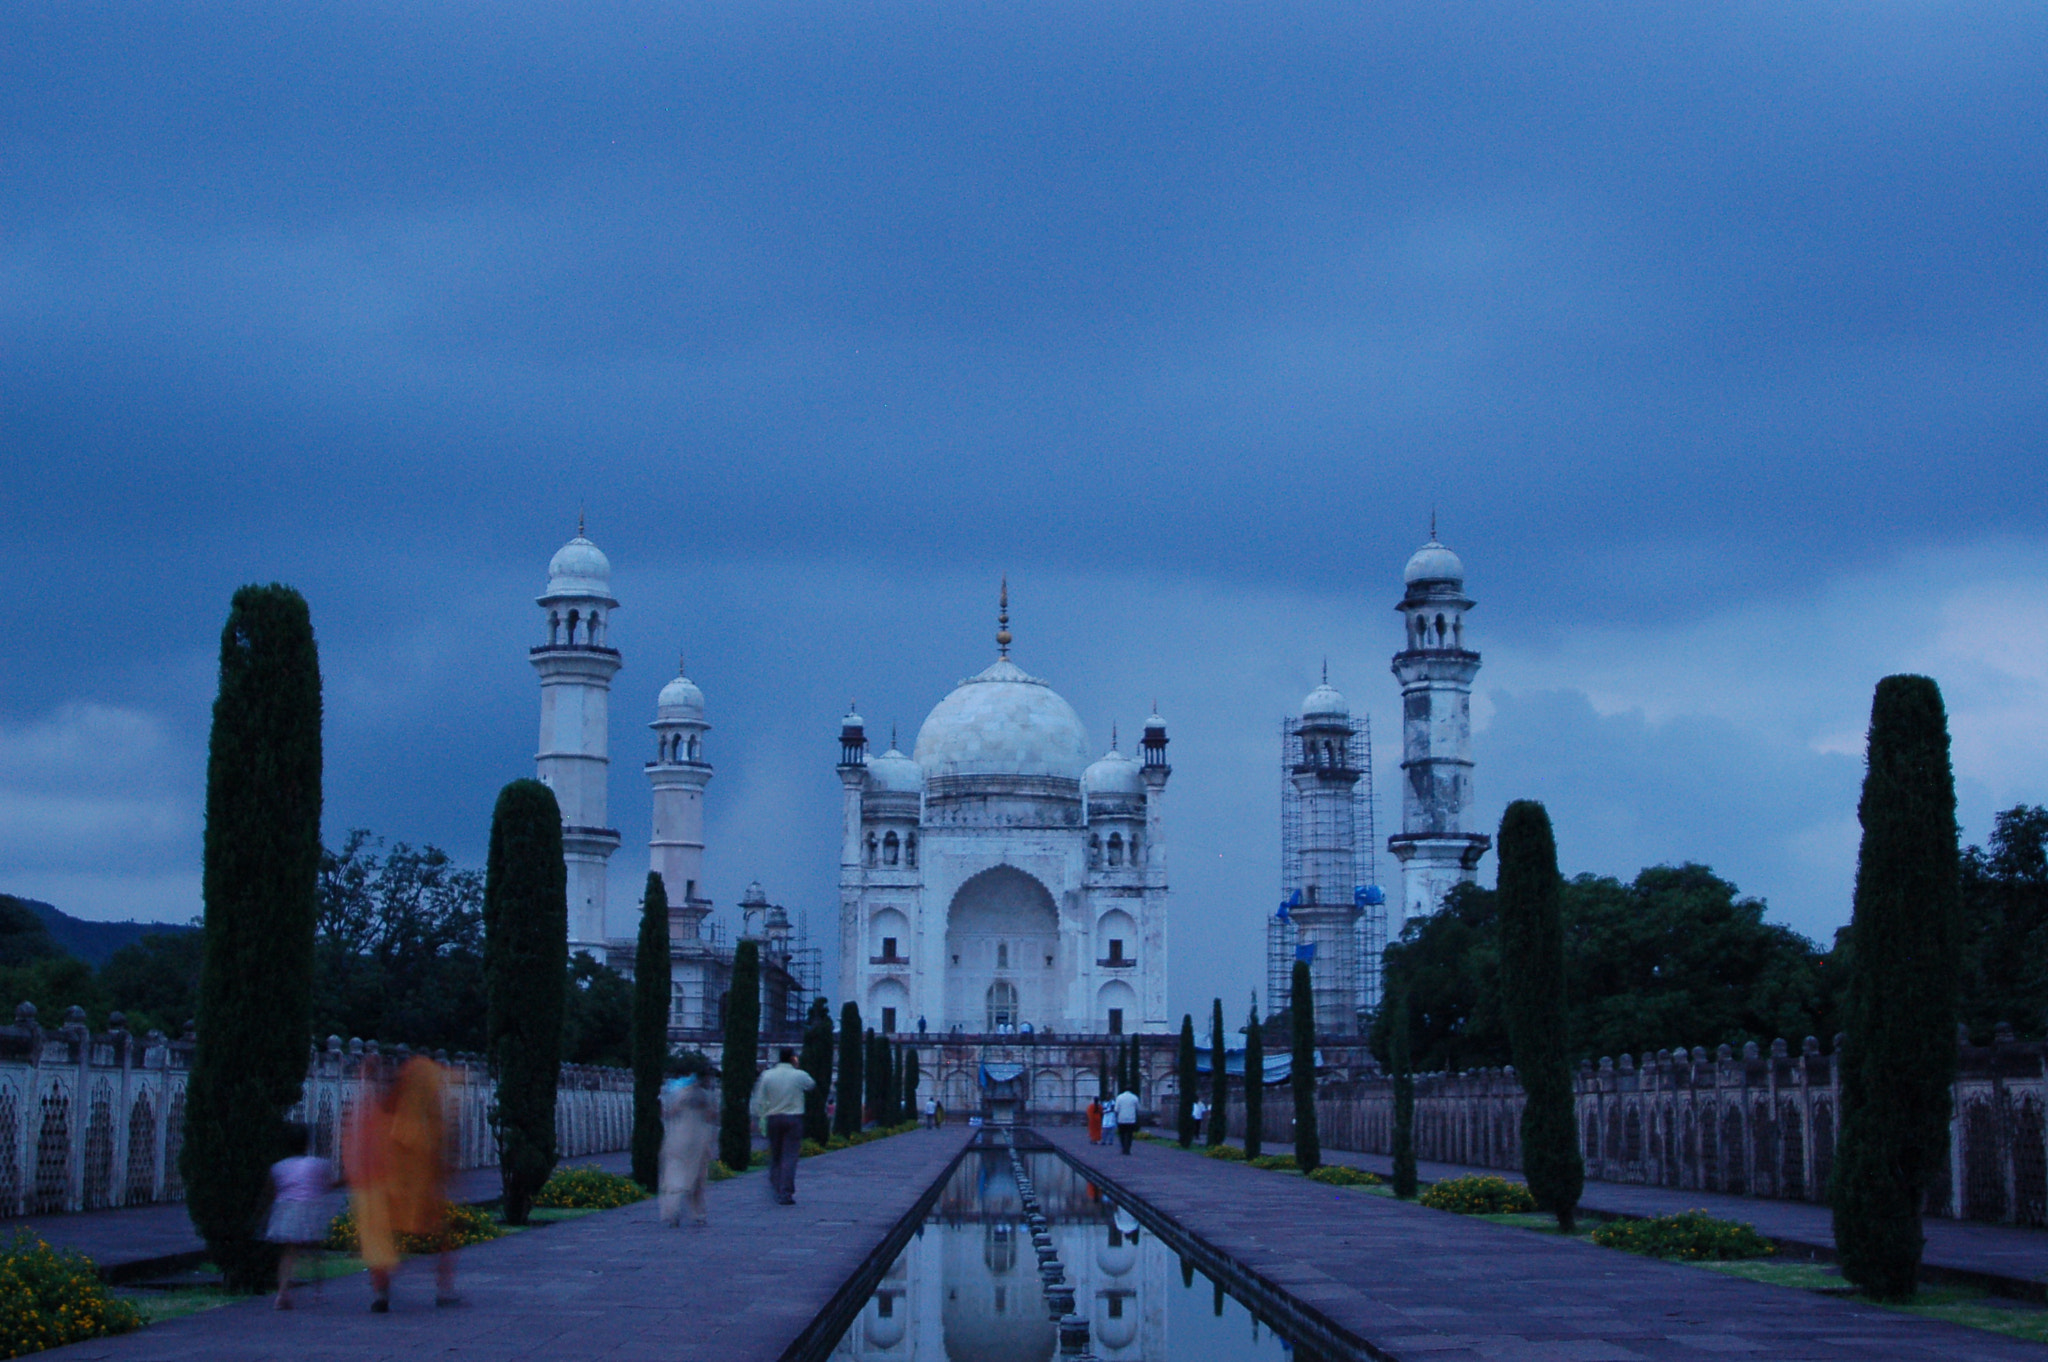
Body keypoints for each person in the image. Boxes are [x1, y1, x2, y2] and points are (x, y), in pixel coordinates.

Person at [347, 1055, 457, 1312]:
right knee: (387, 1239)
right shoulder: (381, 1112)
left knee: (390, 1238)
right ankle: (428, 1289)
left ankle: (389, 1291)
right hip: (388, 1185)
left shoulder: (392, 1111)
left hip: (397, 1184)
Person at [263, 1122, 334, 1310]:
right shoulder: (318, 1165)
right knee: (315, 1252)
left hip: (286, 1210)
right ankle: (318, 1292)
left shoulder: (278, 1167)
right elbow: (326, 1185)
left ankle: (282, 1293)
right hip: (310, 1210)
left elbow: (272, 1191)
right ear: (307, 1143)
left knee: (288, 1253)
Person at [749, 1047, 815, 1206]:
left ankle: (776, 1186)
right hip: (794, 1118)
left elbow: (758, 1099)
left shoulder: (767, 1075)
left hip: (774, 1118)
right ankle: (785, 1193)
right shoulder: (798, 1075)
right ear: (793, 1059)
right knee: (789, 1156)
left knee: (776, 1156)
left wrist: (759, 1116)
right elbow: (811, 1085)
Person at [658, 1067, 717, 1226]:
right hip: (699, 1139)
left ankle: (672, 1209)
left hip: (678, 1137)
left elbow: (668, 1113)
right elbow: (712, 1115)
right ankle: (698, 1213)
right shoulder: (705, 1096)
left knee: (674, 1173)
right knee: (697, 1177)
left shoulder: (677, 1094)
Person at [1114, 1085, 1138, 1155]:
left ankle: (1123, 1148)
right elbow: (1137, 1108)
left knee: (1122, 1135)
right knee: (1130, 1135)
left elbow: (1116, 1109)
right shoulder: (1134, 1097)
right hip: (1131, 1119)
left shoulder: (1119, 1097)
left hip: (1121, 1119)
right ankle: (1128, 1149)